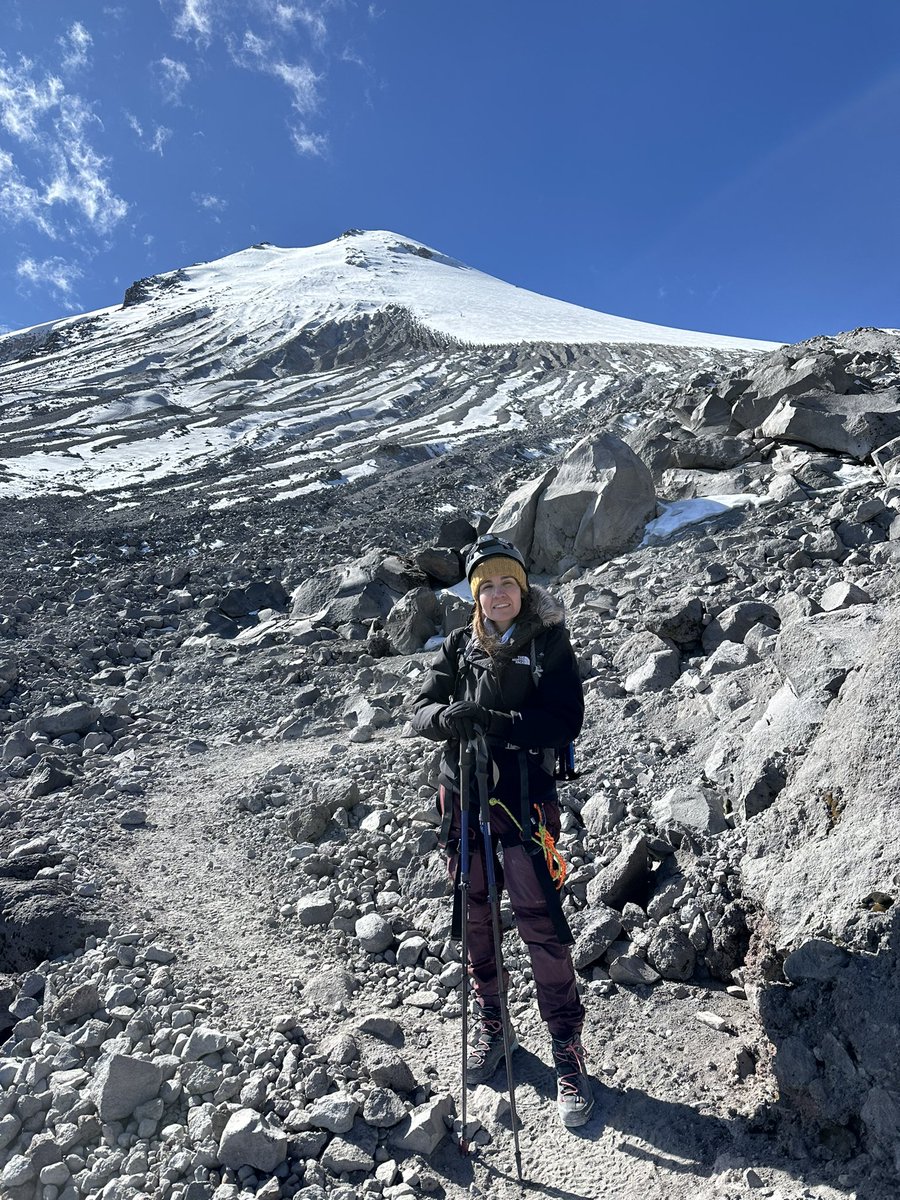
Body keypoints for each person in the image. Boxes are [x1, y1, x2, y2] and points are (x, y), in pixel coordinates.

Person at [411, 533, 593, 1128]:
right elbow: (420, 709)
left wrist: (500, 721)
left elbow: (566, 716)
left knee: (541, 921)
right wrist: (448, 718)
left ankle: (567, 1048)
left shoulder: (548, 642)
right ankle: (496, 1026)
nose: (496, 594)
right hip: (463, 800)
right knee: (476, 915)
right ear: (475, 593)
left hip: (521, 801)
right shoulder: (460, 646)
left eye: (506, 583)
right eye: (485, 585)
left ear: (522, 586)